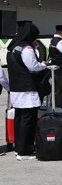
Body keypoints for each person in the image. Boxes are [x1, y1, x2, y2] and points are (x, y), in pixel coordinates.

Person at [6, 22, 48, 160]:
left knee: (19, 119)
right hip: (27, 89)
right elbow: (33, 66)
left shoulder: (12, 48)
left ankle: (19, 149)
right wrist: (43, 65)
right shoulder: (27, 48)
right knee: (28, 121)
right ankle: (25, 152)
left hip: (16, 89)